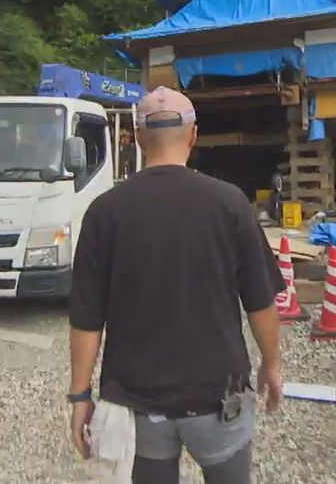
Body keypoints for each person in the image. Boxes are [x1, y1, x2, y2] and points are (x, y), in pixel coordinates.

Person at [67, 86, 284, 484]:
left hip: (139, 405)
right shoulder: (230, 203)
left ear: (135, 136)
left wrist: (80, 396)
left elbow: (86, 317)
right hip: (219, 397)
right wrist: (271, 366)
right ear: (194, 135)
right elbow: (260, 302)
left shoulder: (104, 213)